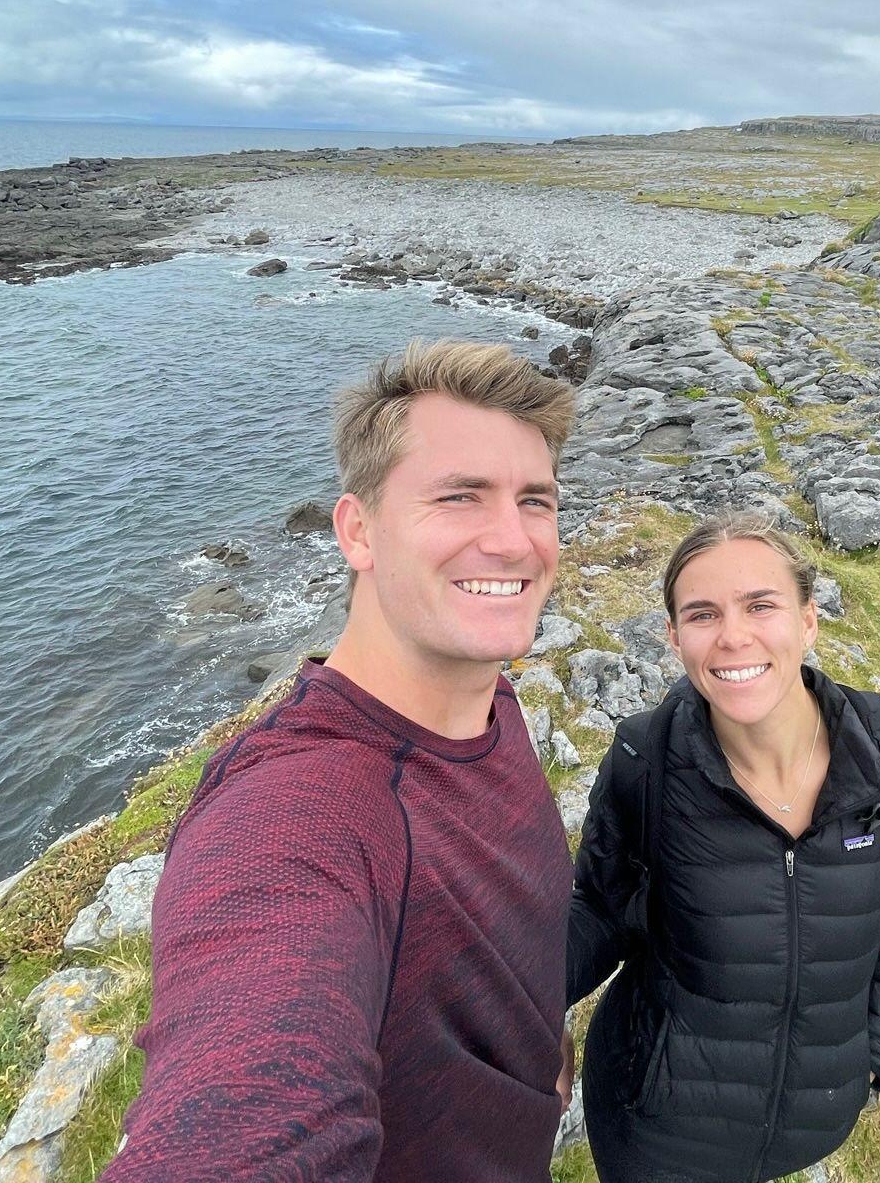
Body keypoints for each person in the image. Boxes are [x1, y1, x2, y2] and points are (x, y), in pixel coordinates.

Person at [104, 341, 578, 1183]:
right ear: (357, 530)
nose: (512, 540)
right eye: (459, 496)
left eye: (534, 501)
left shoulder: (486, 695)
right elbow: (247, 1097)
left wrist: (540, 1045)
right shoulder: (299, 812)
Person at [568, 513, 880, 1183]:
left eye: (761, 605)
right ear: (673, 637)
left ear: (808, 619)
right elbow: (600, 914)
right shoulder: (646, 761)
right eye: (702, 614)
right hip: (656, 1128)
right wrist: (495, 1013)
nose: (733, 637)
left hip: (815, 1120)